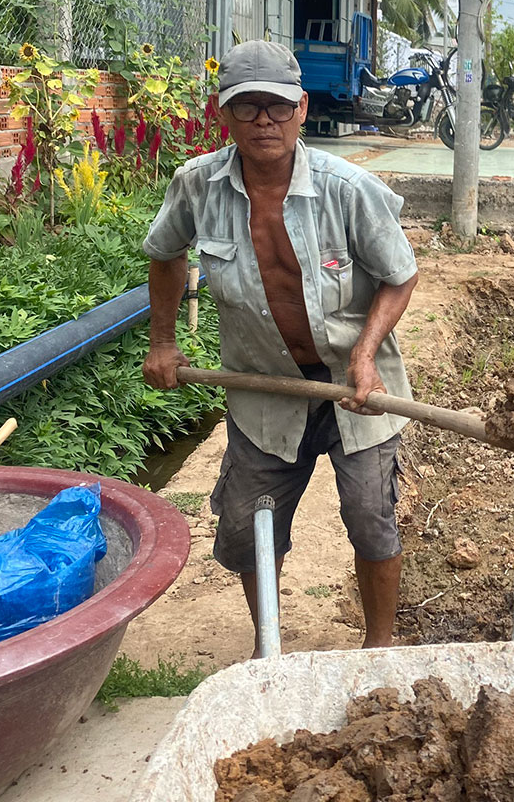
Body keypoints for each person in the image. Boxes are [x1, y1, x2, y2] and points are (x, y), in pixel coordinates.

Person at [141, 40, 419, 656]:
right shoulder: (198, 187)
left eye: (277, 106)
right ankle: (270, 650)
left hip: (357, 390)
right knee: (247, 529)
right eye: (248, 108)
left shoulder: (349, 190)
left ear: (302, 108)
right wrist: (163, 343)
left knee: (371, 522)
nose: (264, 120)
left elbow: (400, 275)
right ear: (224, 114)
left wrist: (366, 354)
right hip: (264, 390)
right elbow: (164, 254)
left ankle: (378, 650)